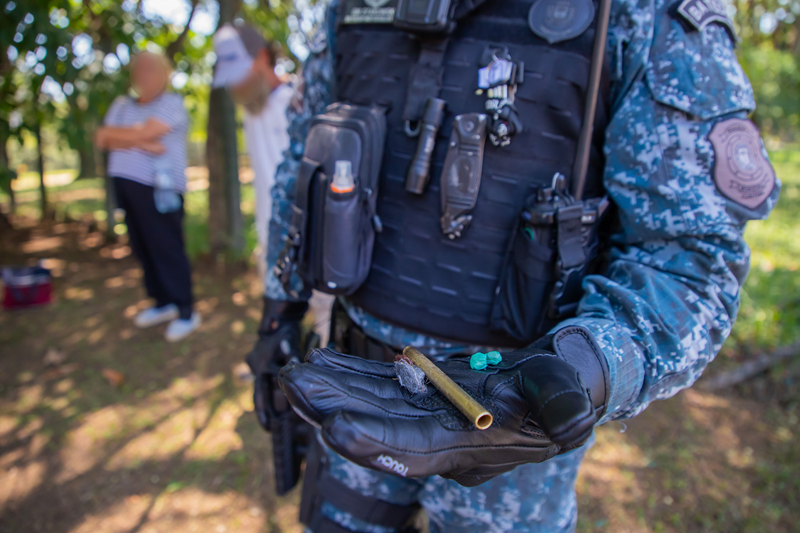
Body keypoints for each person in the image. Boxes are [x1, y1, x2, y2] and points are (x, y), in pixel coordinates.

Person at [256, 0, 781, 531]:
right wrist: (278, 310)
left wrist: (584, 369)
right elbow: (306, 163)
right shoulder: (347, 7)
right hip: (354, 385)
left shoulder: (641, 14)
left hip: (510, 431)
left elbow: (688, 262)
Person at [95, 51, 200, 342]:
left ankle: (185, 309)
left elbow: (124, 135)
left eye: (150, 68)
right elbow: (102, 138)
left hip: (160, 189)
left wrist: (122, 137)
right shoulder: (121, 104)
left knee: (167, 246)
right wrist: (142, 139)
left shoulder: (172, 103)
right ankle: (162, 301)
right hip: (126, 188)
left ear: (164, 72)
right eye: (138, 69)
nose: (143, 74)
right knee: (141, 246)